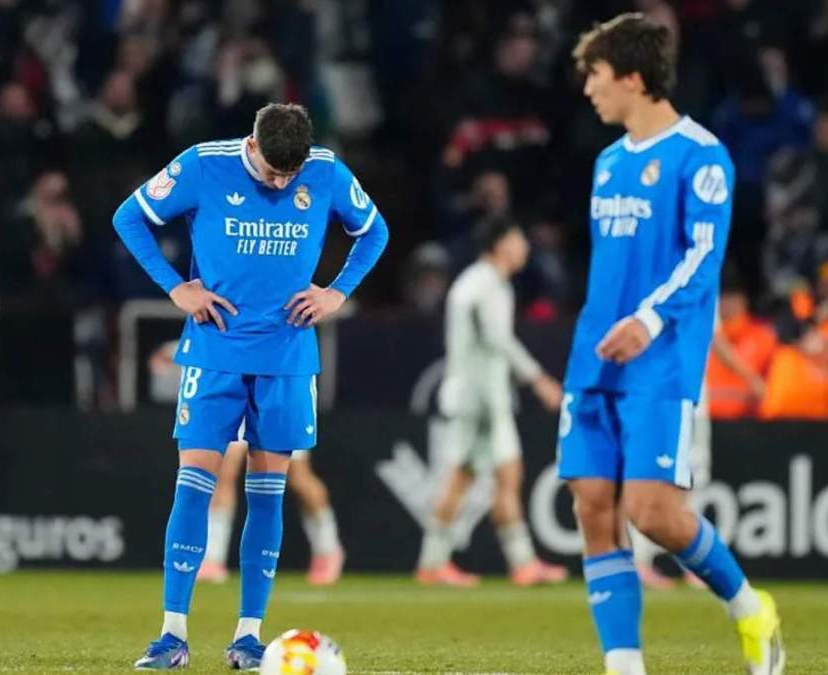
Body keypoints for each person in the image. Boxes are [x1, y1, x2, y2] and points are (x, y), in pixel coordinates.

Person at [113, 103, 388, 670]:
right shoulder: (202, 164)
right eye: (273, 173)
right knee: (194, 483)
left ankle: (247, 637)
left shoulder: (328, 169)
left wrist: (337, 292)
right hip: (214, 350)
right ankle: (171, 636)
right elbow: (129, 217)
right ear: (254, 145)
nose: (283, 183)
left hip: (287, 357)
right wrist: (173, 288)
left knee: (269, 493)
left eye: (293, 176)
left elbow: (375, 230)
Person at [561, 14, 782, 675]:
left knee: (652, 511)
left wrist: (649, 321)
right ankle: (624, 667)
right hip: (595, 354)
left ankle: (749, 607)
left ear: (632, 77)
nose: (588, 90)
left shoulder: (702, 157)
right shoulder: (605, 163)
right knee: (592, 504)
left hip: (659, 356)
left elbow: (704, 258)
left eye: (595, 75)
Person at [415, 216, 567, 588]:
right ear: (501, 245)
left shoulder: (478, 282)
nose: (525, 248)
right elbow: (498, 338)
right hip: (478, 399)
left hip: (478, 397)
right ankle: (446, 564)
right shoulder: (487, 285)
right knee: (484, 477)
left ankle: (451, 562)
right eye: (519, 240)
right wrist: (540, 380)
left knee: (484, 477)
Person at [198, 440, 346, 587]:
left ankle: (327, 549)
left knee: (299, 478)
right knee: (224, 472)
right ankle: (212, 558)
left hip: (282, 416)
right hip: (239, 416)